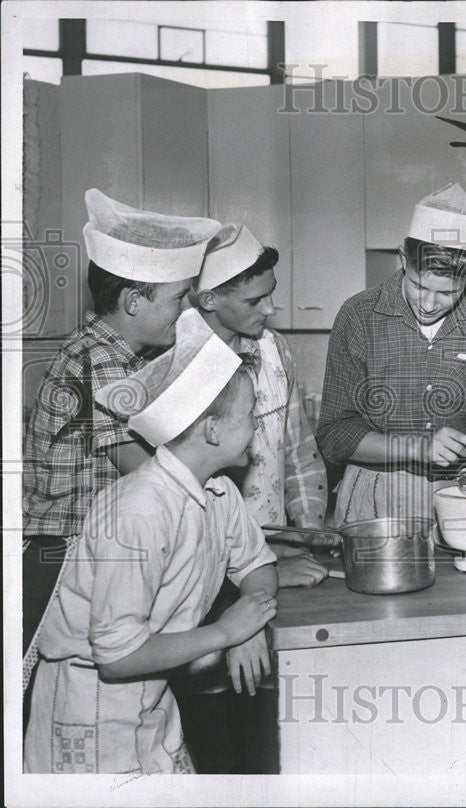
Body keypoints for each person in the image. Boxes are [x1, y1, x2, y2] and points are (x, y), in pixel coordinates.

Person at [24, 308, 279, 773]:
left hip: (155, 704)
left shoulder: (217, 489)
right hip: (89, 716)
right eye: (250, 415)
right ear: (213, 429)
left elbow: (257, 564)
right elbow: (118, 657)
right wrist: (226, 631)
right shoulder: (139, 510)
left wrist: (254, 618)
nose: (257, 427)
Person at [21, 189, 219, 707]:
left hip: (84, 548)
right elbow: (141, 470)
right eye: (179, 298)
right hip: (62, 553)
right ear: (135, 302)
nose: (184, 310)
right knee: (55, 691)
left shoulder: (110, 351)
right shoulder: (103, 362)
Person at [178, 225, 329, 773]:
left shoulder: (273, 347)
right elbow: (185, 498)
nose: (271, 307)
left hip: (268, 560)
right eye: (255, 298)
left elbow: (298, 446)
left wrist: (310, 532)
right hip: (209, 579)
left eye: (271, 292)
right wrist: (253, 569)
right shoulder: (179, 360)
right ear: (209, 298)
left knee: (264, 721)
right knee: (214, 731)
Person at [317, 183, 466, 524]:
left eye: (446, 293)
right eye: (419, 285)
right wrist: (417, 447)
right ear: (402, 258)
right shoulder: (360, 316)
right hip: (376, 494)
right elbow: (335, 434)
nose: (427, 304)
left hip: (462, 494)